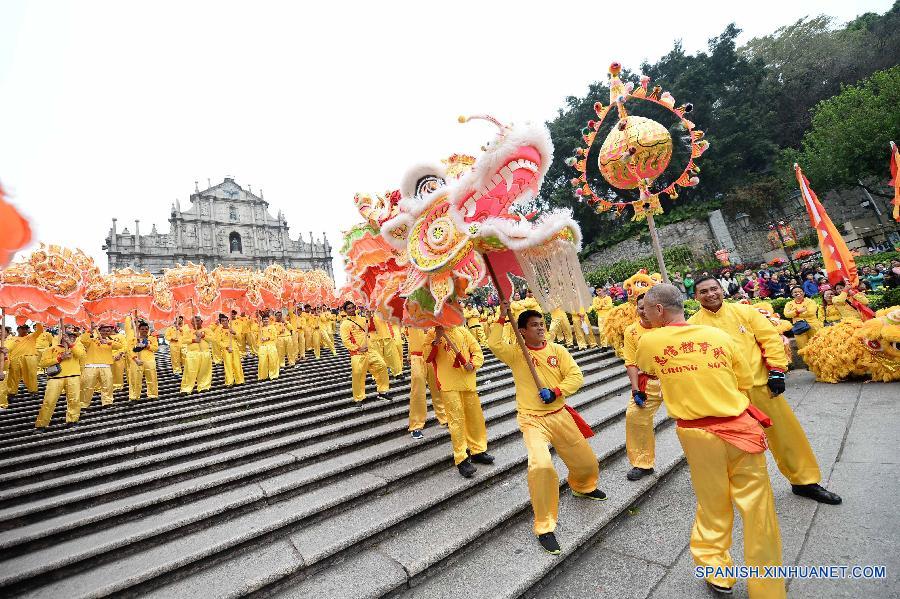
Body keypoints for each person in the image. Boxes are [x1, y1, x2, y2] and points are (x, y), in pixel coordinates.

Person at [637, 284, 786, 598]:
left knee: (713, 502)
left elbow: (648, 373)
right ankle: (768, 588)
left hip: (698, 434)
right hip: (741, 427)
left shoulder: (649, 341)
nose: (644, 317)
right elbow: (745, 382)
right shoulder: (720, 338)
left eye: (647, 311)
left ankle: (716, 568)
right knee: (759, 508)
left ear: (659, 310)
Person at [690, 276, 840, 505]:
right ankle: (745, 490)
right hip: (726, 395)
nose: (710, 294)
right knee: (733, 445)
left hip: (761, 385)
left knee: (785, 435)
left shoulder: (744, 312)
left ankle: (804, 481)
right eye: (703, 291)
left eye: (714, 289)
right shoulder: (693, 325)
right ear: (695, 296)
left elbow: (769, 338)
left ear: (722, 290)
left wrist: (777, 370)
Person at [488, 301, 606, 555]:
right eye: (534, 325)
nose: (541, 328)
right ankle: (544, 525)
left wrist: (556, 391)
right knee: (541, 466)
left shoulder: (558, 351)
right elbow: (494, 345)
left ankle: (582, 486)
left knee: (587, 464)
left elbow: (576, 376)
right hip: (532, 419)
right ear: (522, 332)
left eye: (542, 324)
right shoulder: (517, 354)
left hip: (560, 414)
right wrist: (500, 318)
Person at [425, 324, 491, 477]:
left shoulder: (463, 331)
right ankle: (461, 458)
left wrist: (473, 363)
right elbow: (427, 356)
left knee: (475, 418)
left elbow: (477, 351)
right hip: (448, 383)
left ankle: (478, 450)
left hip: (467, 381)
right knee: (456, 420)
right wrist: (437, 338)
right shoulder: (431, 333)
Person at [621, 294, 663, 480]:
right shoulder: (631, 331)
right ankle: (643, 463)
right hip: (648, 381)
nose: (645, 311)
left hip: (674, 379)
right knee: (635, 417)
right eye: (641, 307)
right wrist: (636, 389)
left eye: (649, 307)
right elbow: (631, 362)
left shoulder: (666, 325)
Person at [339, 301, 390, 404]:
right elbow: (346, 340)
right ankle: (359, 398)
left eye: (353, 307)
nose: (352, 310)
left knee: (382, 366)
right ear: (345, 311)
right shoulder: (345, 324)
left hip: (370, 350)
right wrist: (357, 348)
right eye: (349, 308)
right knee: (358, 374)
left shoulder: (362, 319)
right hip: (357, 353)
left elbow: (371, 328)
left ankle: (382, 391)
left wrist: (369, 317)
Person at [36, 329, 86, 428]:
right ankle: (41, 424)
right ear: (62, 336)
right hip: (55, 377)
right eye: (70, 336)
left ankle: (72, 420)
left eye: (74, 336)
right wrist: (60, 358)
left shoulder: (78, 347)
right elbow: (42, 363)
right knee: (49, 401)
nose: (73, 338)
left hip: (73, 376)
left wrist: (71, 344)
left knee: (74, 401)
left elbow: (81, 355)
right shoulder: (51, 349)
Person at [406, 325, 446, 439]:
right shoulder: (410, 315)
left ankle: (444, 417)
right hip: (417, 357)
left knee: (438, 388)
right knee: (417, 392)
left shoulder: (432, 315)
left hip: (432, 356)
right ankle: (416, 425)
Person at [79, 323, 122, 408]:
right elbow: (83, 340)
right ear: (99, 331)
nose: (105, 332)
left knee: (108, 385)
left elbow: (119, 346)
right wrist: (90, 329)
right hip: (91, 365)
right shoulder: (91, 341)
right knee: (87, 386)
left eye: (108, 331)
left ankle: (107, 402)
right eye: (103, 331)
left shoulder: (110, 341)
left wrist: (108, 342)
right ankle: (83, 404)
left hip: (105, 365)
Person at [4, 322, 44, 397]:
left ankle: (33, 391)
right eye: (23, 328)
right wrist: (6, 352)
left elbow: (40, 330)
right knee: (13, 375)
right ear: (18, 329)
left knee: (31, 375)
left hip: (30, 357)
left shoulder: (31, 336)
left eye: (26, 328)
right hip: (15, 359)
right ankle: (12, 392)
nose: (25, 330)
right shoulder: (12, 338)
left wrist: (38, 320)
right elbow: (8, 347)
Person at [126, 316, 159, 400]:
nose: (144, 330)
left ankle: (153, 395)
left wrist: (147, 346)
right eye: (142, 329)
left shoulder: (152, 338)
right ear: (138, 330)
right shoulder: (134, 339)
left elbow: (156, 348)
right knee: (135, 380)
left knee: (152, 378)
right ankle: (134, 397)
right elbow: (130, 350)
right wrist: (135, 359)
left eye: (146, 329)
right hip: (137, 361)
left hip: (150, 361)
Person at [181, 316, 213, 393]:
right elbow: (183, 340)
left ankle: (203, 386)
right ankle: (186, 389)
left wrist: (203, 336)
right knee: (189, 372)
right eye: (194, 321)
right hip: (192, 354)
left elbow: (213, 339)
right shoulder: (188, 331)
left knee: (204, 371)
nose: (196, 323)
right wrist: (194, 340)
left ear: (201, 321)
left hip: (204, 353)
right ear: (191, 323)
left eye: (198, 321)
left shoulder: (207, 330)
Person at [783, 286, 820, 350]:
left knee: (816, 345)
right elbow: (787, 314)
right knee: (803, 347)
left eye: (800, 291)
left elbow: (811, 312)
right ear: (792, 294)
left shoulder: (810, 302)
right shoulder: (789, 304)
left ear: (804, 293)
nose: (798, 293)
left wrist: (794, 314)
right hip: (799, 327)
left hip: (812, 326)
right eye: (795, 292)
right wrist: (798, 311)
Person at [214, 313, 245, 387]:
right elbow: (218, 341)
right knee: (228, 365)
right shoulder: (219, 330)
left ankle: (240, 380)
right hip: (226, 350)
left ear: (228, 321)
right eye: (222, 321)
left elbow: (240, 339)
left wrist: (234, 333)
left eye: (226, 320)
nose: (224, 322)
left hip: (234, 348)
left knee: (237, 364)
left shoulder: (232, 328)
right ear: (221, 322)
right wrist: (226, 347)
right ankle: (229, 382)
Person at [256, 312, 281, 381]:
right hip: (263, 346)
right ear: (262, 320)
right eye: (264, 319)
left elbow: (275, 336)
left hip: (271, 345)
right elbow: (258, 338)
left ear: (269, 320)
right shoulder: (260, 328)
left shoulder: (272, 327)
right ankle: (262, 376)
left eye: (267, 319)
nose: (266, 321)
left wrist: (267, 338)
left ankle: (273, 375)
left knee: (273, 360)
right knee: (262, 361)